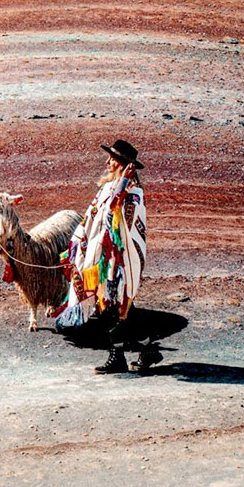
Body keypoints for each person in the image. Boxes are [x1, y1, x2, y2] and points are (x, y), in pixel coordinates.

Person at [54, 139, 162, 375]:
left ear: (125, 165)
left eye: (113, 159)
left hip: (119, 263)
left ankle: (121, 357)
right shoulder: (105, 189)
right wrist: (74, 247)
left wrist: (124, 181)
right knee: (116, 311)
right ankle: (143, 351)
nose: (107, 162)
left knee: (113, 310)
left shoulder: (133, 194)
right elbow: (89, 219)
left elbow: (119, 215)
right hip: (100, 260)